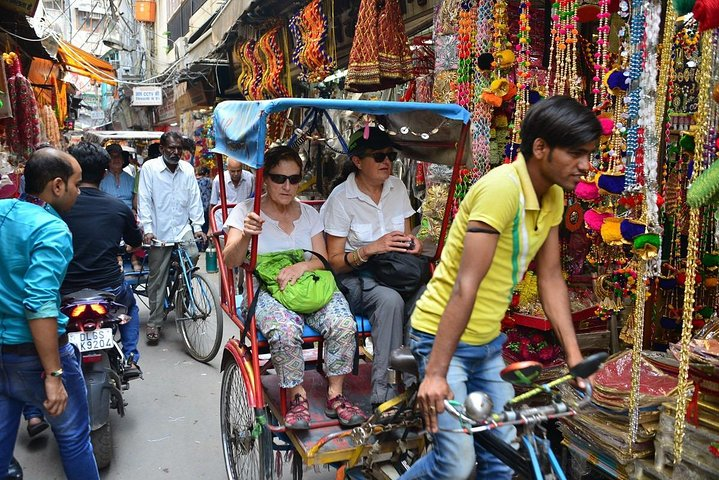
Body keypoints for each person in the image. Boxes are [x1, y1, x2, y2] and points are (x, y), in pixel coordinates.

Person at [399, 96, 601, 480]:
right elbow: (465, 285)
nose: (586, 166)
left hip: (487, 341)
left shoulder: (553, 194)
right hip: (442, 337)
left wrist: (574, 358)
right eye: (576, 153)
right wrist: (436, 373)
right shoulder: (502, 190)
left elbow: (551, 276)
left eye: (588, 154)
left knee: (504, 457)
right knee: (455, 465)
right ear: (540, 148)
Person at [223, 146, 366, 429]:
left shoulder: (309, 214)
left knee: (343, 322)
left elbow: (322, 260)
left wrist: (300, 266)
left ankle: (336, 395)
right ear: (265, 179)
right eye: (279, 178)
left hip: (308, 284)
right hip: (265, 288)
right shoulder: (245, 212)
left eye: (294, 178)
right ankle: (297, 395)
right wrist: (246, 237)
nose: (287, 186)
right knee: (286, 330)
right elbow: (231, 260)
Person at [0, 147, 100, 479]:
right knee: (73, 440)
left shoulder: (3, 211)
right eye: (75, 183)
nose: (78, 191)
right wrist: (54, 375)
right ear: (57, 186)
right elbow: (39, 303)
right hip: (35, 357)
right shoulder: (52, 230)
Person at [321, 127, 423, 407]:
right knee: (390, 302)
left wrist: (413, 243)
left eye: (390, 156)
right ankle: (386, 393)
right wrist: (369, 249)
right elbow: (334, 262)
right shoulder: (341, 198)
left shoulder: (397, 187)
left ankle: (418, 383)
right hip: (357, 277)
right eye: (378, 156)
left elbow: (408, 236)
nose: (386, 162)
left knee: (429, 297)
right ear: (357, 161)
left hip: (396, 272)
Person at [61, 141, 144, 378]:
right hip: (109, 287)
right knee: (130, 307)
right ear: (104, 172)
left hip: (66, 289)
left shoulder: (56, 207)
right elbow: (135, 242)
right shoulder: (118, 208)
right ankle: (130, 358)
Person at [138, 131, 206, 344]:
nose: (175, 152)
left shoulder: (187, 169)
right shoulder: (149, 168)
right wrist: (148, 229)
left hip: (182, 228)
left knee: (193, 254)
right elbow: (144, 200)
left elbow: (195, 198)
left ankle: (182, 295)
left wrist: (197, 226)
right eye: (171, 148)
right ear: (162, 149)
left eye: (179, 148)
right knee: (157, 278)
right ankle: (155, 322)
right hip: (160, 231)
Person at [210, 157, 255, 231]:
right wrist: (211, 228)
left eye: (238, 171)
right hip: (222, 221)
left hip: (242, 221)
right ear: (228, 168)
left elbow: (253, 199)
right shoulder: (218, 180)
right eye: (233, 171)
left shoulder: (250, 178)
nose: (236, 174)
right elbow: (213, 203)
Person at [100, 143, 136, 212]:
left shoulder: (131, 180)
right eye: (113, 157)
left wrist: (134, 210)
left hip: (128, 216)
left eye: (119, 156)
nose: (116, 159)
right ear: (108, 161)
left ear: (123, 160)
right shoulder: (100, 180)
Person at [197, 166, 212, 236]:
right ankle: (205, 241)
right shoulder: (208, 181)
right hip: (206, 207)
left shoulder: (195, 181)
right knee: (205, 226)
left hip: (197, 207)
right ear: (206, 173)